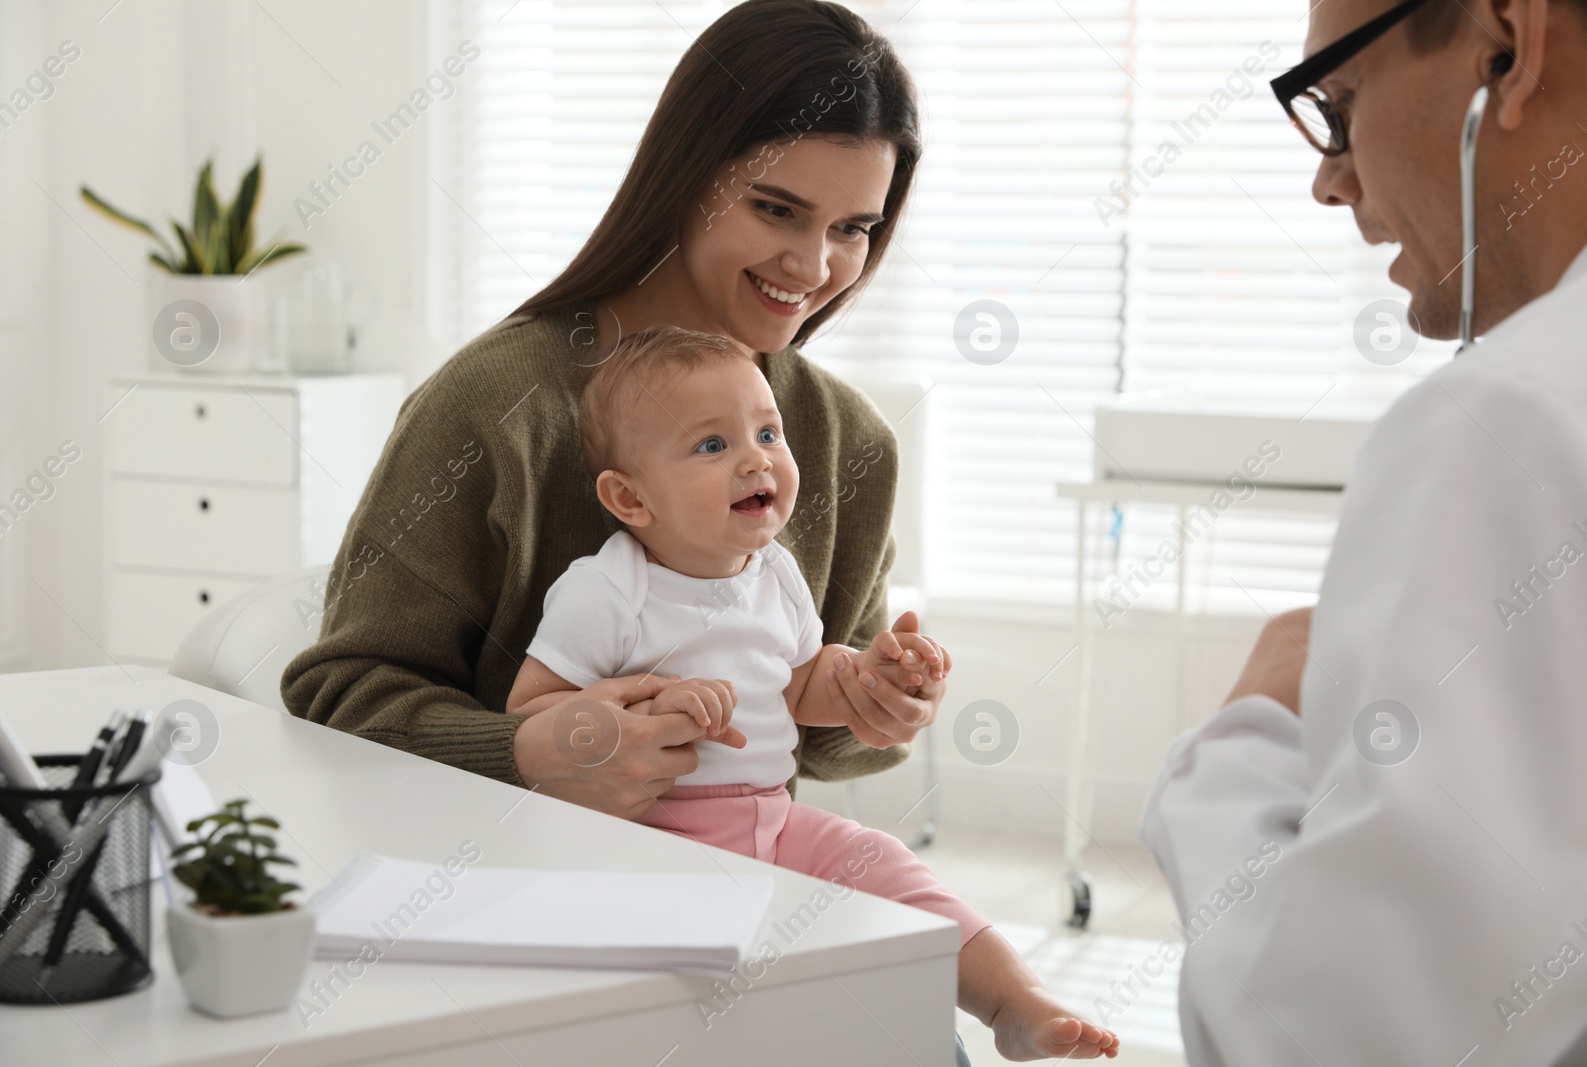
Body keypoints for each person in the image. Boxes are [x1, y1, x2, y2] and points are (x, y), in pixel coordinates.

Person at [281, 0, 939, 821]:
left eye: (854, 228)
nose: (813, 265)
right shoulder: (492, 406)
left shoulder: (846, 441)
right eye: (775, 209)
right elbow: (339, 698)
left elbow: (826, 741)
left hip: (730, 892)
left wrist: (875, 700)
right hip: (492, 878)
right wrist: (528, 752)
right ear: (685, 175)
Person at [1140, 0, 1587, 1063]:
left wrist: (1236, 745)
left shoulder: (1515, 413)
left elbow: (1341, 1037)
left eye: (1337, 105)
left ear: (1507, 46)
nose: (1327, 178)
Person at [506, 326, 1120, 1060]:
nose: (756, 458)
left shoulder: (775, 572)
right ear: (630, 498)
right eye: (712, 445)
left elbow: (803, 683)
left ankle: (1013, 1001)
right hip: (655, 836)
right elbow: (530, 715)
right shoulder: (608, 589)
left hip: (776, 817)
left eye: (768, 431)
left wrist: (867, 676)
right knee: (728, 980)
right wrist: (633, 712)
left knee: (892, 868)